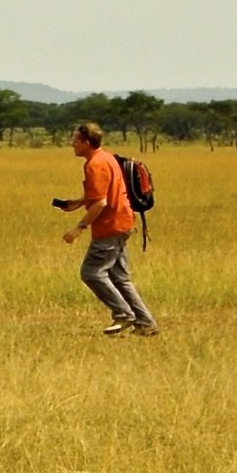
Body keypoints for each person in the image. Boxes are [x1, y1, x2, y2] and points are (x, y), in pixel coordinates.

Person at [59, 122, 157, 336]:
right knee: (120, 278)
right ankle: (146, 323)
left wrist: (78, 228)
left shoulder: (95, 164)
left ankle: (123, 314)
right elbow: (100, 194)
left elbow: (101, 203)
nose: (72, 144)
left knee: (91, 273)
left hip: (110, 226)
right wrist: (76, 202)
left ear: (86, 143)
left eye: (75, 140)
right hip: (123, 222)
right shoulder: (107, 157)